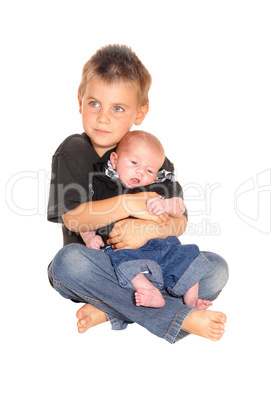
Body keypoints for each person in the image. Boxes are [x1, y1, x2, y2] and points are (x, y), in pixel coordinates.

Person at [47, 44, 228, 343]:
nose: (103, 117)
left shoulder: (150, 155)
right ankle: (179, 316)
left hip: (153, 264)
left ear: (139, 112)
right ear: (80, 101)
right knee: (68, 263)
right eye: (94, 104)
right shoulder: (74, 151)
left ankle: (111, 309)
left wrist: (144, 230)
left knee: (217, 268)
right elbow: (74, 219)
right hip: (99, 266)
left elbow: (180, 221)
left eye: (117, 108)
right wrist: (130, 203)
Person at [80, 130, 213, 310]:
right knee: (121, 263)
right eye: (134, 162)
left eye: (149, 170)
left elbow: (180, 208)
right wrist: (89, 237)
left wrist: (166, 205)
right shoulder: (102, 184)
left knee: (191, 256)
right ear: (114, 159)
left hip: (163, 247)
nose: (140, 171)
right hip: (124, 250)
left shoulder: (158, 186)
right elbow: (86, 218)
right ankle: (150, 292)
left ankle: (191, 302)